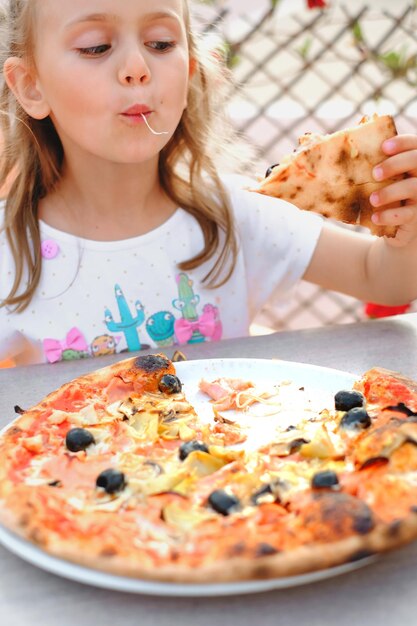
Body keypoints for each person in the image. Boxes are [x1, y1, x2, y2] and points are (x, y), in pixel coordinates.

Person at [1, 0, 417, 367]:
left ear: (189, 71)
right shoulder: (9, 250)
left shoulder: (234, 213)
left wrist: (407, 228)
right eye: (96, 46)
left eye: (161, 44)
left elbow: (380, 276)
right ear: (30, 85)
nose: (136, 69)